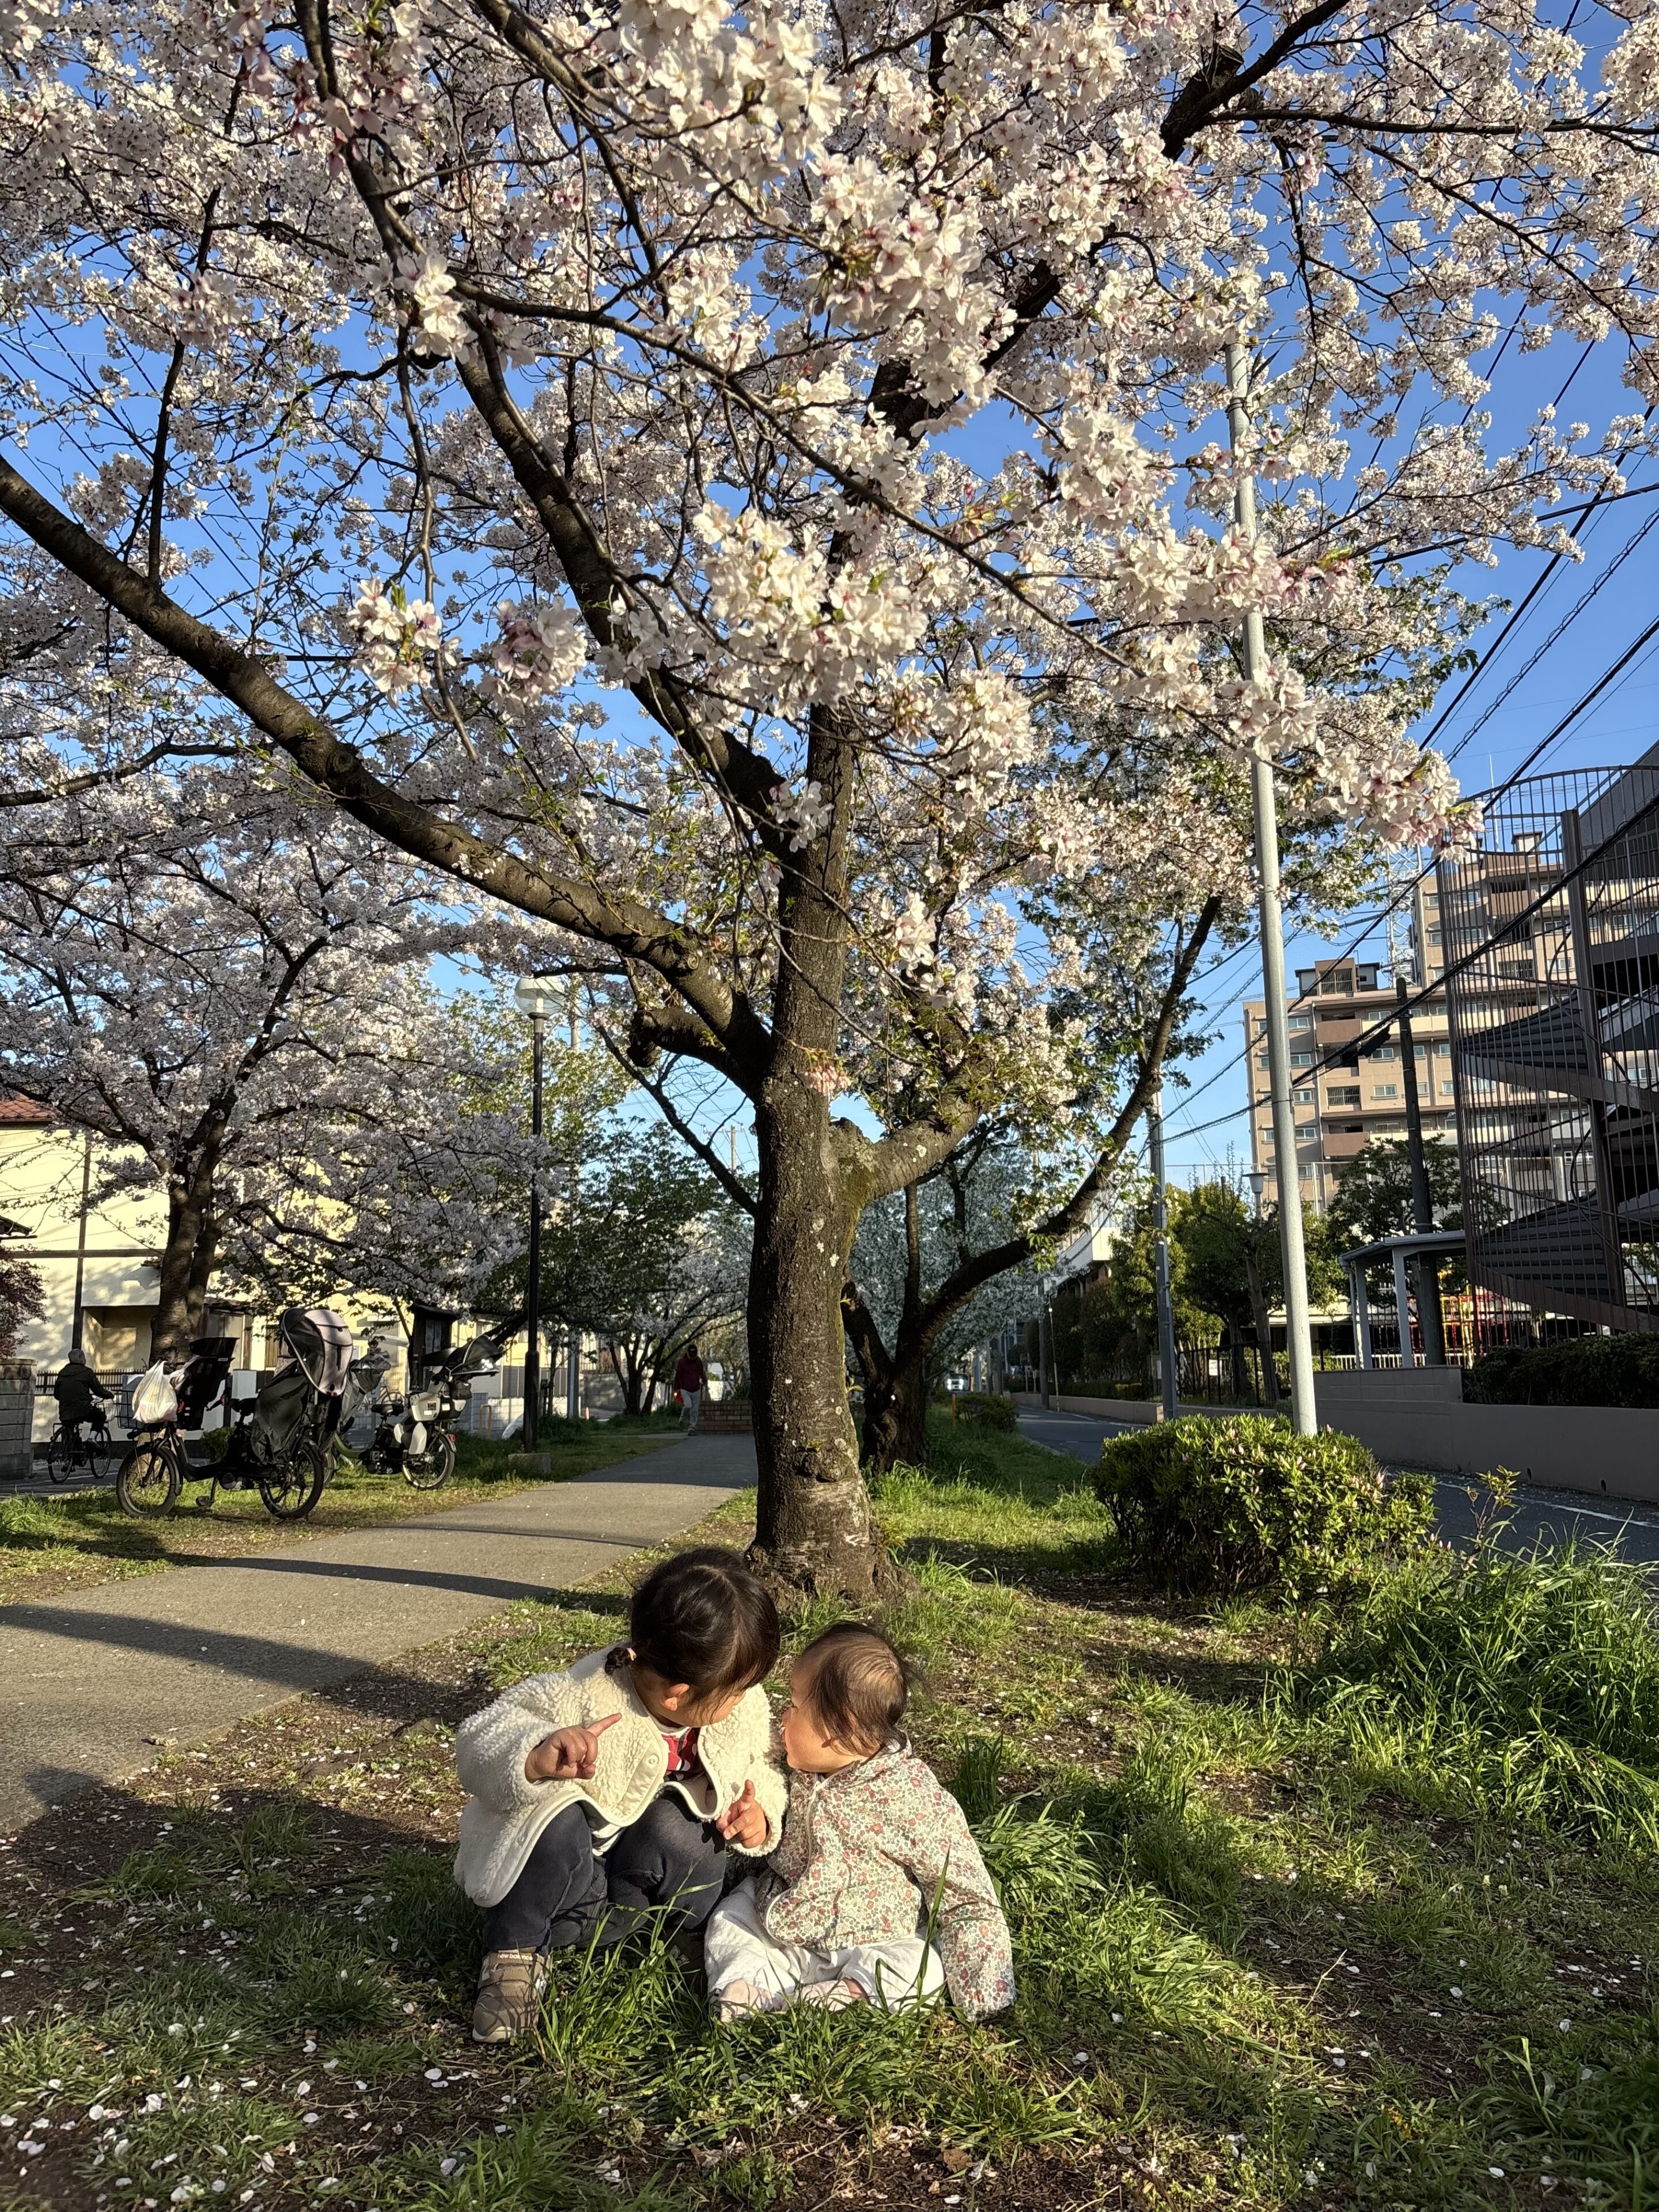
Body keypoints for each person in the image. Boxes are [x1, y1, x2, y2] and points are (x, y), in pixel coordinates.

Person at [454, 1546, 787, 2043]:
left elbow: (762, 1765)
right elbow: (479, 1737)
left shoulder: (742, 1709)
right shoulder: (585, 1691)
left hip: (640, 1895)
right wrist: (536, 1755)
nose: (746, 1700)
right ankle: (515, 1957)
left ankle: (683, 1934)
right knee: (555, 1819)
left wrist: (762, 1811)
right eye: (736, 1691)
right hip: (568, 1893)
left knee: (687, 1827)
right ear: (676, 1693)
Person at [704, 1623, 1016, 2022]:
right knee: (733, 1916)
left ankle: (844, 1997)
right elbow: (772, 1811)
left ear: (841, 1727)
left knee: (921, 1966)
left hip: (870, 1945)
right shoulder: (798, 1770)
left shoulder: (912, 1796)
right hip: (783, 1923)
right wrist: (760, 1824)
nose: (783, 1717)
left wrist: (986, 1995)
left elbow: (964, 1889)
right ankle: (744, 1989)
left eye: (795, 1706)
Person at [53, 1346, 111, 1457]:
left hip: (65, 1411)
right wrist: (108, 1395)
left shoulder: (62, 1373)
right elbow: (98, 1390)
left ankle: (69, 1456)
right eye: (83, 1357)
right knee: (100, 1417)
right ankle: (91, 1439)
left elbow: (57, 1394)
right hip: (83, 1409)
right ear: (81, 1359)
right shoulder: (86, 1372)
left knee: (71, 1425)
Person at [672, 1341, 706, 1431]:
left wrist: (705, 1382)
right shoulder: (682, 1362)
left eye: (694, 1356)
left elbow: (702, 1373)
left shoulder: (698, 1361)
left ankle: (692, 1428)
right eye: (691, 1356)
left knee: (695, 1411)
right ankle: (682, 1420)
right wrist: (676, 1389)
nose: (692, 1358)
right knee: (688, 1406)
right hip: (685, 1389)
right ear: (687, 1353)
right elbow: (678, 1376)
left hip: (696, 1389)